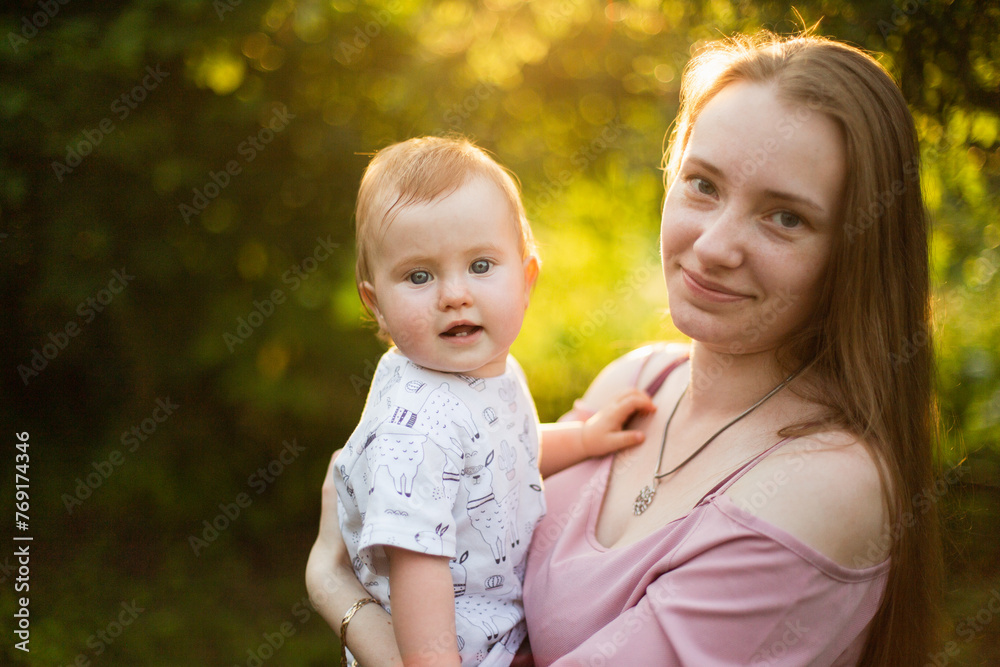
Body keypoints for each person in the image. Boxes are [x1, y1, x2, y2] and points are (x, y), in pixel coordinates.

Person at [307, 32, 941, 666]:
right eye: (703, 184)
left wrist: (337, 590)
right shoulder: (639, 380)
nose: (714, 246)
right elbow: (499, 466)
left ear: (858, 250)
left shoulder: (825, 484)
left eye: (785, 217)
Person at [332, 135, 655, 667]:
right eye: (419, 276)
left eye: (480, 266)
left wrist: (583, 438)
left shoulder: (486, 371)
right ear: (377, 304)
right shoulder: (415, 433)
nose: (454, 295)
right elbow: (418, 573)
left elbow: (500, 455)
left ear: (526, 281)